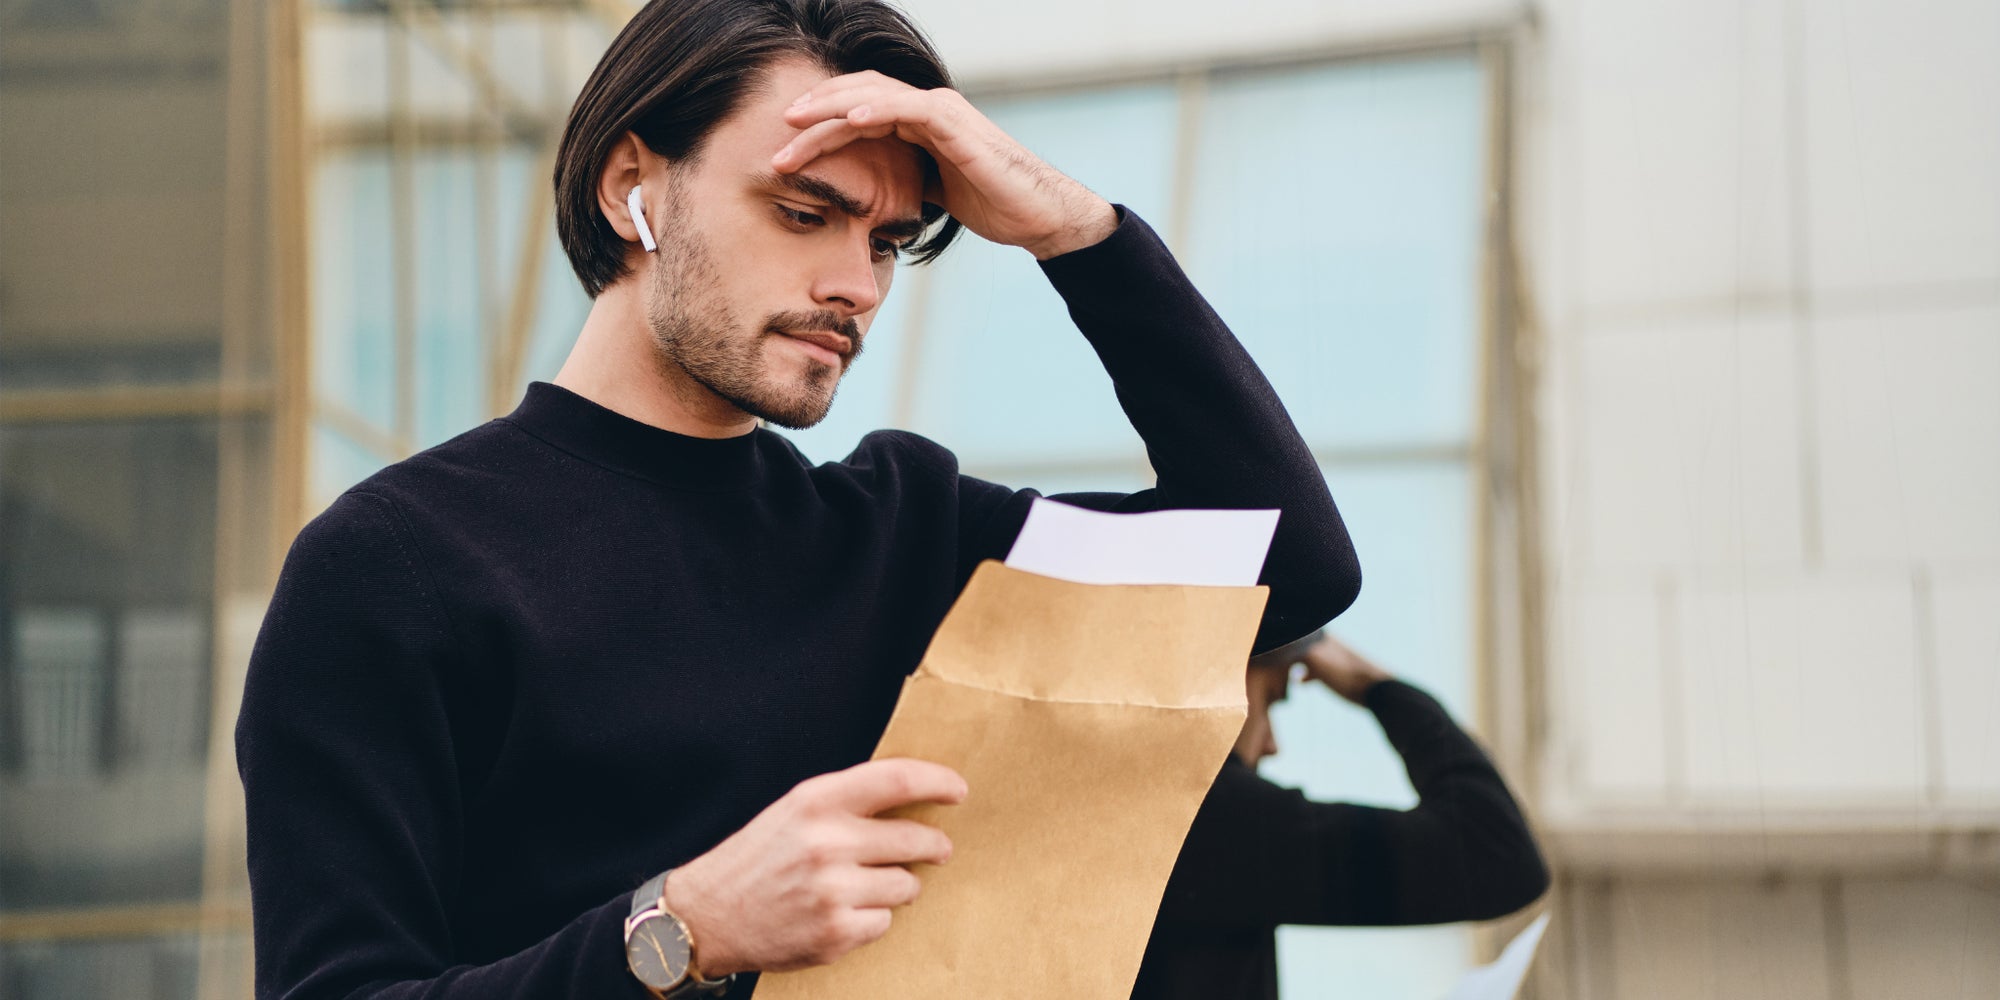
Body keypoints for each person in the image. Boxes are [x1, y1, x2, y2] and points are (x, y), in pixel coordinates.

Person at [234, 2, 1362, 999]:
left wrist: (1077, 236)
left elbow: (1289, 563)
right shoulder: (397, 563)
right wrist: (678, 930)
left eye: (883, 240)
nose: (856, 286)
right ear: (635, 188)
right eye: (802, 211)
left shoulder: (907, 532)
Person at [1131, 632, 1549, 1000]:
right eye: (1271, 698)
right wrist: (1374, 685)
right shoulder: (1209, 818)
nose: (1272, 744)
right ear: (1220, 680)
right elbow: (1495, 857)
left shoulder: (1115, 802)